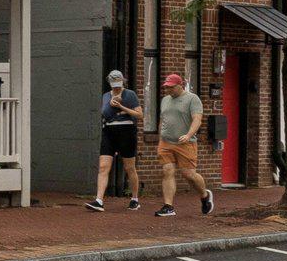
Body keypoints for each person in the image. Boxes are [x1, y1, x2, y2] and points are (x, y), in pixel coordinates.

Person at [155, 72, 213, 217]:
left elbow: (197, 119)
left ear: (180, 85)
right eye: (167, 88)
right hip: (166, 142)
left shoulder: (192, 99)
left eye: (171, 87)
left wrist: (188, 135)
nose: (168, 90)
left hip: (185, 144)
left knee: (189, 174)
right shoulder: (165, 100)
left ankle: (205, 195)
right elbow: (163, 119)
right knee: (167, 171)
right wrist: (159, 138)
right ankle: (168, 206)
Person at [85, 70, 142, 211]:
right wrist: (111, 106)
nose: (116, 87)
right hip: (109, 131)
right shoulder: (105, 96)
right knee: (103, 167)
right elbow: (104, 113)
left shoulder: (130, 94)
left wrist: (122, 107)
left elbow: (139, 115)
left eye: (118, 83)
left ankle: (134, 198)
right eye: (113, 84)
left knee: (129, 167)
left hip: (126, 131)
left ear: (123, 81)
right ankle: (99, 200)